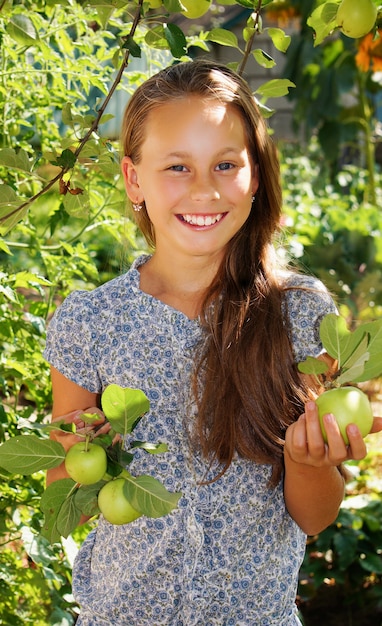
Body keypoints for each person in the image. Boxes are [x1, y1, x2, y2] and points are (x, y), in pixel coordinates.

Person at [44, 59, 382, 626]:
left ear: (255, 175)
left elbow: (316, 516)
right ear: (134, 180)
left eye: (226, 164)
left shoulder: (297, 314)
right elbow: (66, 500)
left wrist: (307, 460)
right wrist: (95, 456)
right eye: (177, 166)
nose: (204, 190)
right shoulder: (90, 321)